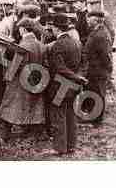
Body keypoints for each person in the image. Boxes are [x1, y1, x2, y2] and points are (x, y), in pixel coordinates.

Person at [0, 18, 46, 141]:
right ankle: (34, 134)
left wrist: (5, 69)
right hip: (36, 80)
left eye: (19, 29)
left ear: (23, 29)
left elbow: (15, 67)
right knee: (34, 107)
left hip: (20, 82)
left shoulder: (22, 46)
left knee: (9, 106)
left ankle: (5, 135)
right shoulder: (41, 46)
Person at [46, 13, 84, 155]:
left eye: (52, 28)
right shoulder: (76, 42)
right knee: (71, 115)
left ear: (56, 28)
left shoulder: (58, 45)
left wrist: (74, 76)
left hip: (60, 86)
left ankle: (59, 148)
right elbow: (83, 62)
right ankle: (71, 145)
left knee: (58, 116)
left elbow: (59, 68)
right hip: (74, 85)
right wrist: (79, 77)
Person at [84, 10, 113, 124]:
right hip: (95, 70)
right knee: (94, 92)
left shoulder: (100, 34)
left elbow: (105, 55)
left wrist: (106, 69)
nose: (87, 20)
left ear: (96, 20)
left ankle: (97, 120)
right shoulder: (97, 31)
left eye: (89, 18)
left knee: (98, 94)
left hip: (98, 70)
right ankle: (93, 117)